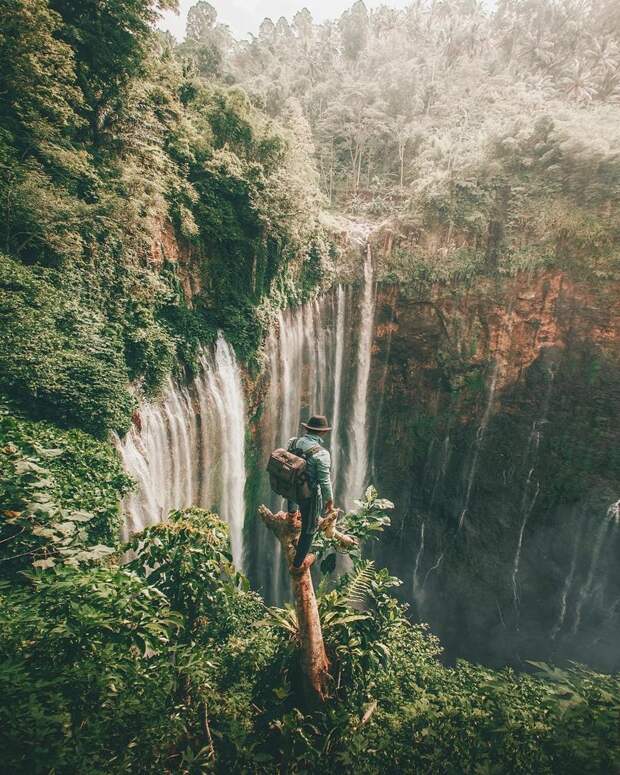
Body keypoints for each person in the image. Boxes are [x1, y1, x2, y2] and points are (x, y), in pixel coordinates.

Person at [287, 414, 335, 575]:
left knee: (294, 481)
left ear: (307, 429)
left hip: (291, 489)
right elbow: (325, 481)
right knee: (310, 529)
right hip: (309, 496)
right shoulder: (322, 454)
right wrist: (329, 501)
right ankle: (297, 565)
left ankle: (291, 516)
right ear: (323, 433)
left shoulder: (293, 442)